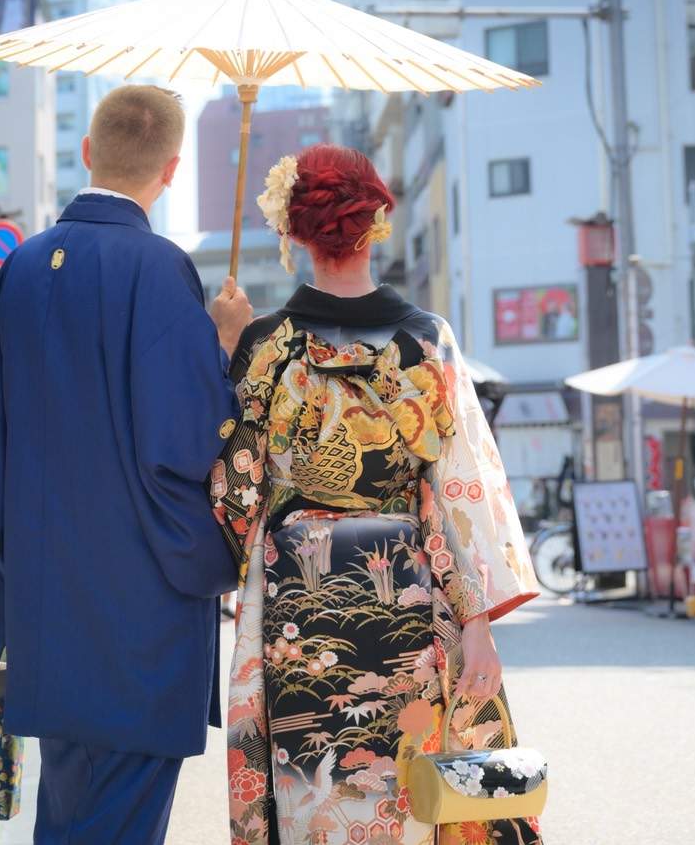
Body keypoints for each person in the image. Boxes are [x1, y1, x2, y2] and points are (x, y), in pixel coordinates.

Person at [212, 145, 543, 845]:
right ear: (378, 221)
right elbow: (461, 487)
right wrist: (477, 623)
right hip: (407, 597)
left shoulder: (267, 347)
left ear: (292, 233)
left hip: (297, 610)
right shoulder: (424, 342)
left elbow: (234, 493)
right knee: (412, 797)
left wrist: (227, 351)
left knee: (314, 795)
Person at [0, 84, 251, 845]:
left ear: (87, 152)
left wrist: (2, 592)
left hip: (42, 605)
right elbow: (186, 440)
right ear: (173, 168)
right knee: (119, 823)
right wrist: (221, 347)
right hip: (137, 611)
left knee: (69, 814)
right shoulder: (157, 267)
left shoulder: (18, 267)